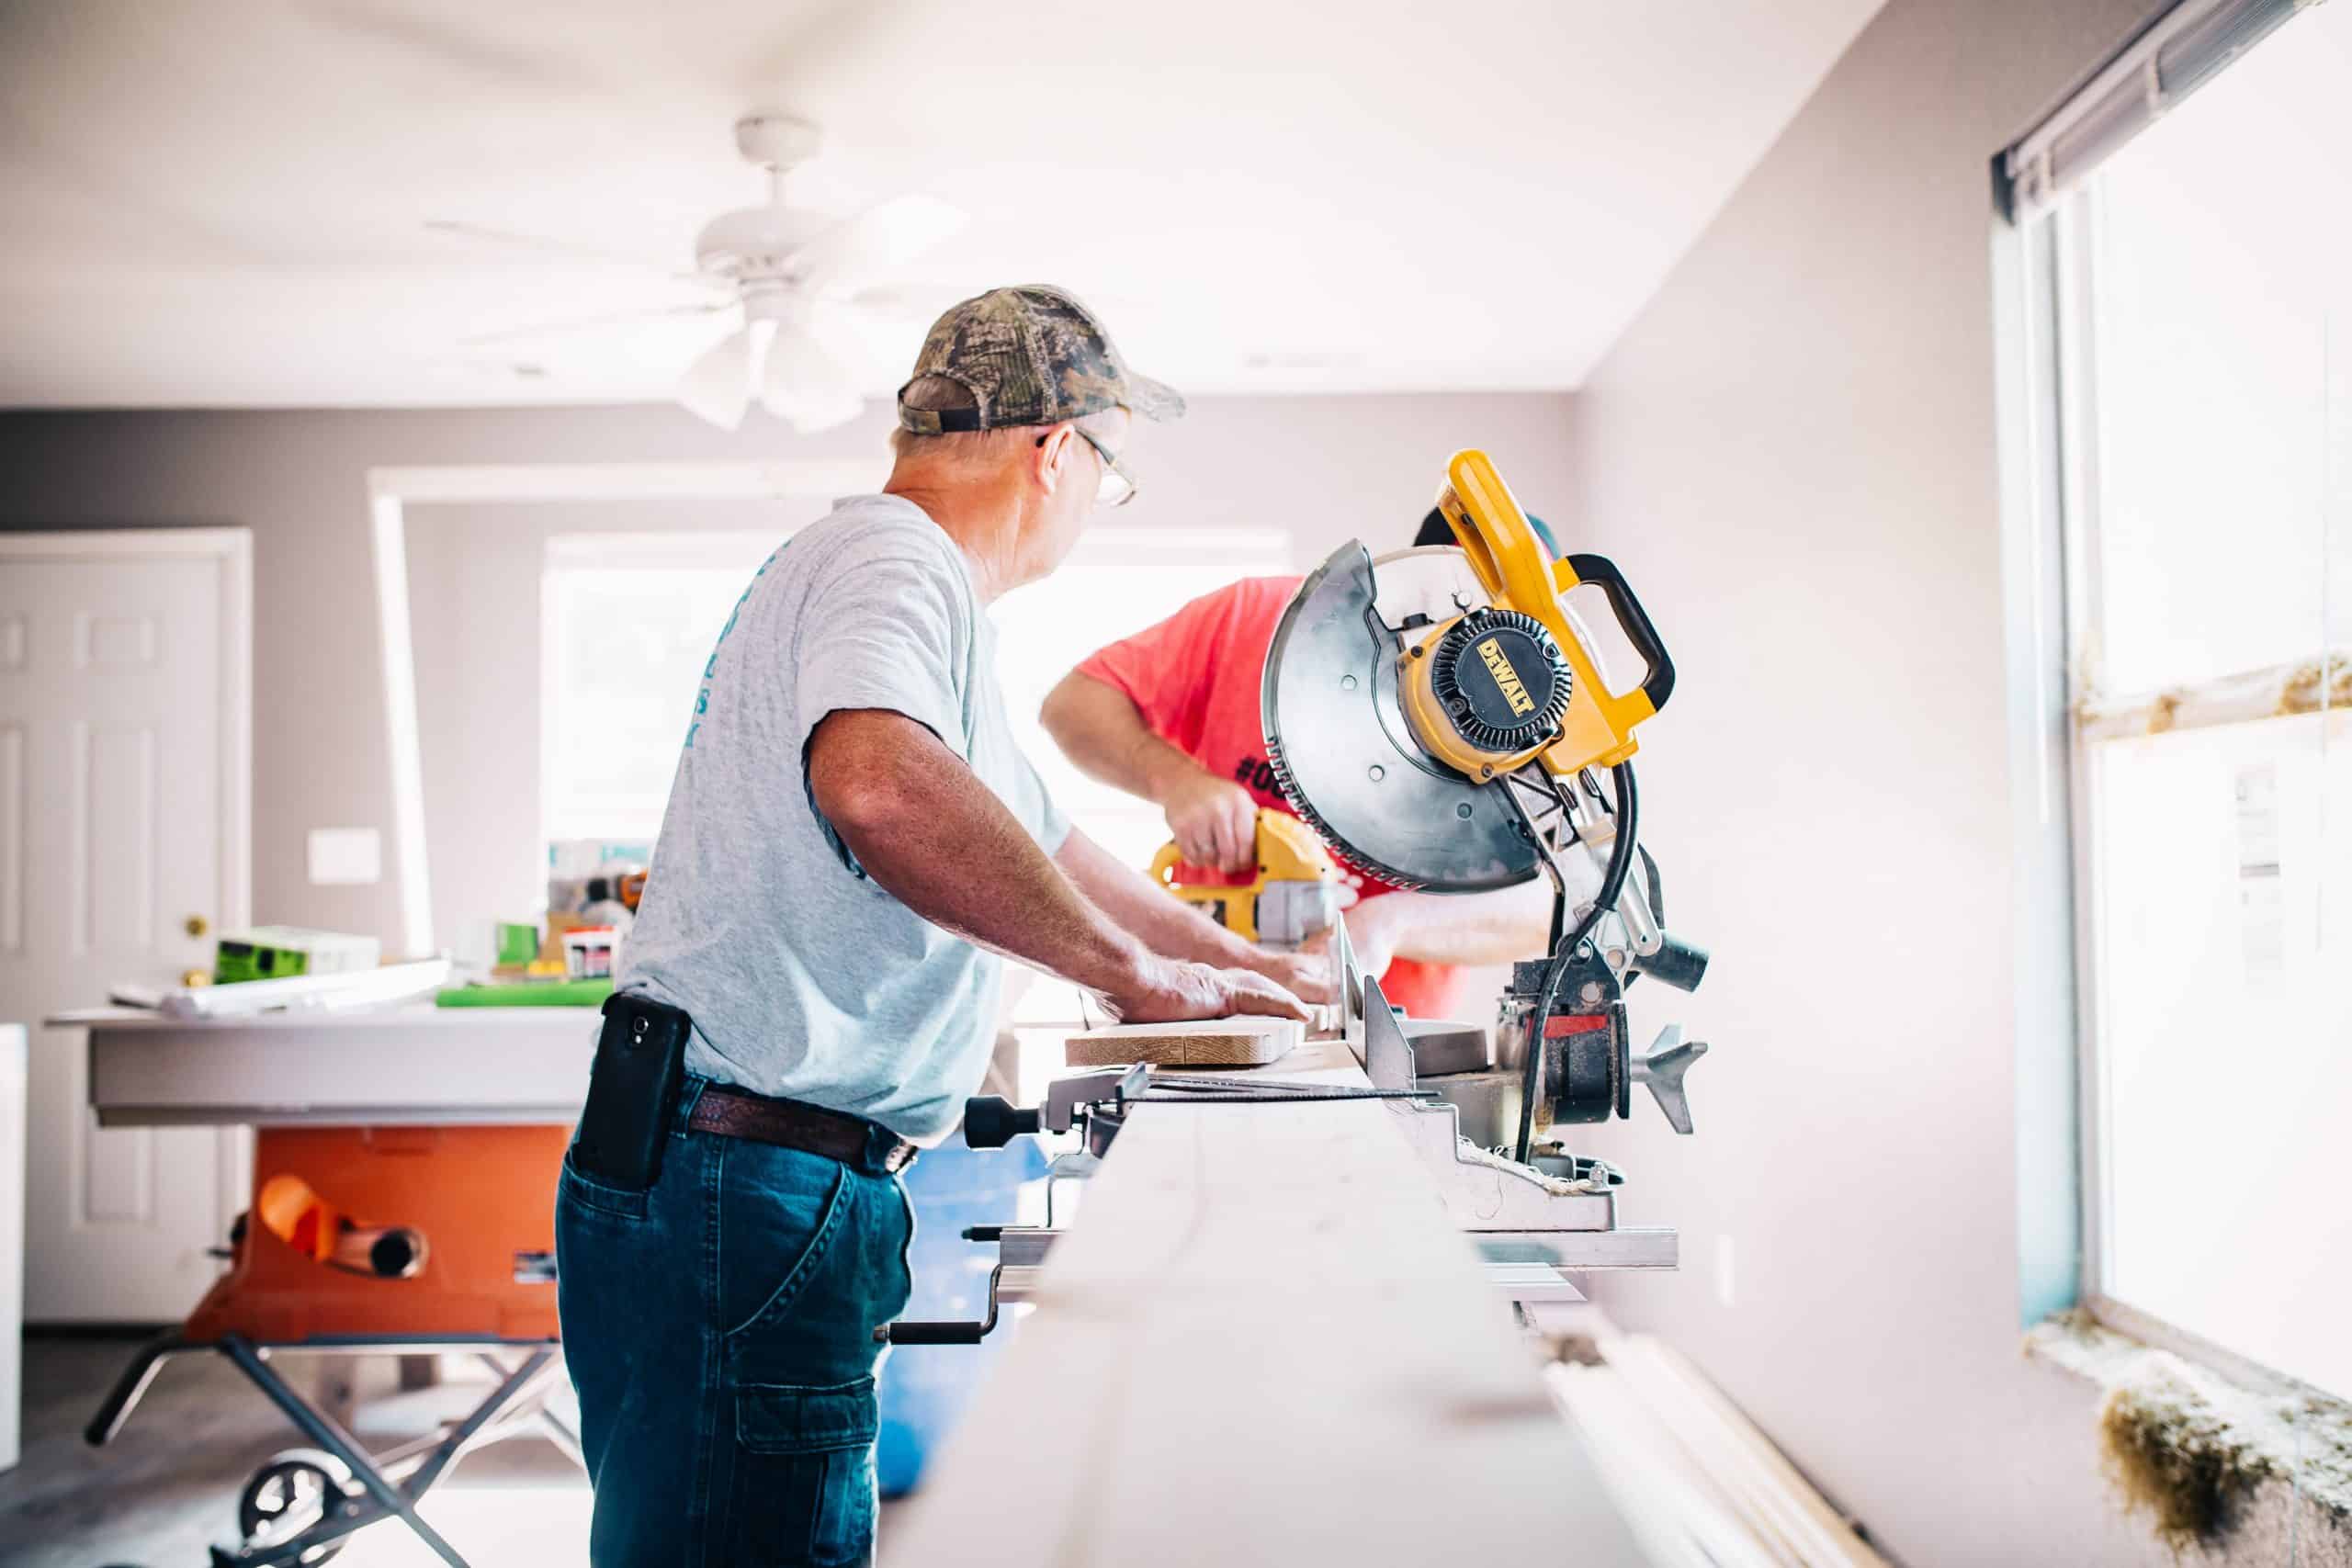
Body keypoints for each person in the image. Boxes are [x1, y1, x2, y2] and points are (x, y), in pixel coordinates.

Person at [554, 285, 1319, 1568]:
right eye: (1107, 475)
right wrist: (1133, 978)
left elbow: (1044, 835)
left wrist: (1234, 964)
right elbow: (877, 781)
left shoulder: (897, 588)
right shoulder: (896, 560)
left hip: (724, 1167)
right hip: (748, 1179)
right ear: (1057, 450)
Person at [1040, 509, 1562, 1020]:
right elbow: (1073, 705)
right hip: (1207, 1004)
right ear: (1410, 573)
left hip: (1386, 1035)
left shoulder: (1527, 734)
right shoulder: (1258, 618)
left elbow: (1554, 907)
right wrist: (1175, 779)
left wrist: (1390, 922)